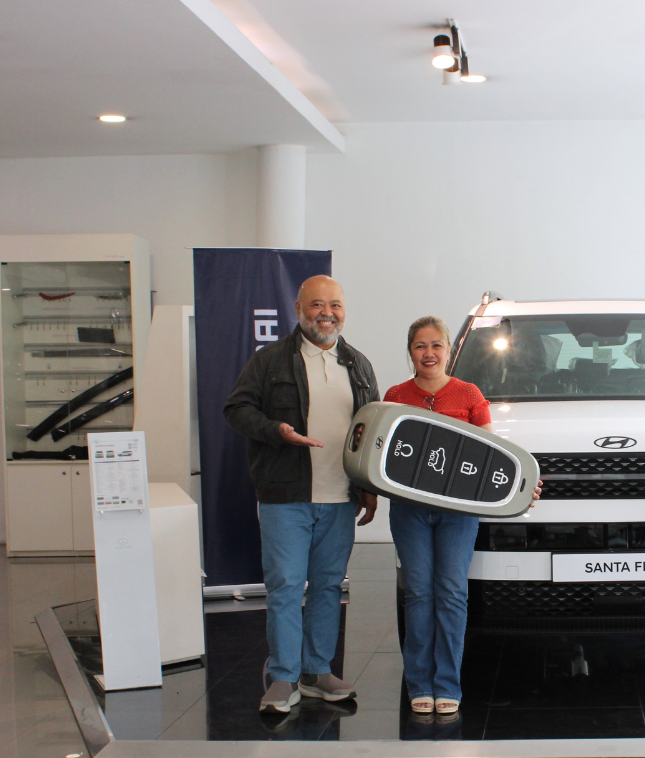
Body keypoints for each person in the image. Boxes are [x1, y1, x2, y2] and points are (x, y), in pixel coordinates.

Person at [224, 275, 379, 714]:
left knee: (329, 587)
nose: (326, 312)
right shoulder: (270, 360)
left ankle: (317, 671)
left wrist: (367, 488)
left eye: (335, 304)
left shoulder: (359, 364)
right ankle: (283, 676)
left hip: (340, 498)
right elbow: (236, 409)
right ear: (298, 308)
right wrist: (276, 431)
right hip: (284, 497)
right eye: (316, 304)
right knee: (287, 587)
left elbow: (374, 431)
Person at [384, 316, 540, 716]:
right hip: (410, 513)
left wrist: (522, 488)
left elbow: (494, 460)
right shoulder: (395, 395)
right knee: (419, 594)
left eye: (436, 345)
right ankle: (419, 683)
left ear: (449, 350)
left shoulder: (469, 394)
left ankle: (447, 684)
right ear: (410, 351)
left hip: (458, 514)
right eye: (421, 346)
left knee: (452, 594)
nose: (429, 353)